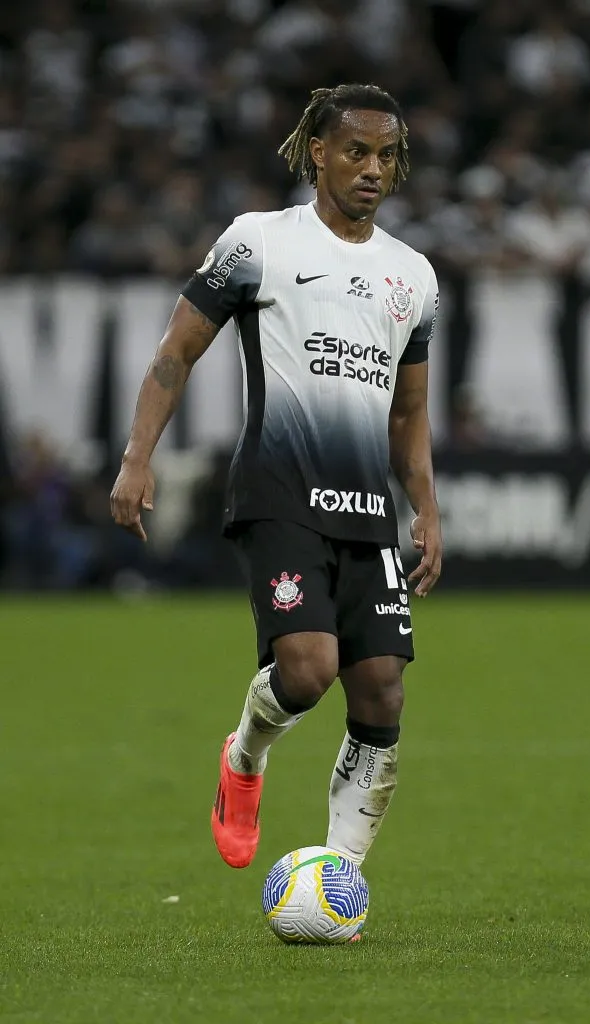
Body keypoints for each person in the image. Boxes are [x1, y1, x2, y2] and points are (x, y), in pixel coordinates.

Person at [110, 83, 442, 874]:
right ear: (318, 152)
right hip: (279, 490)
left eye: (386, 156)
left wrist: (426, 509)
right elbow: (175, 351)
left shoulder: (413, 276)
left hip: (368, 507)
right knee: (307, 670)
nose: (372, 169)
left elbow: (409, 414)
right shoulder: (258, 241)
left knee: (382, 693)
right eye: (356, 151)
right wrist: (136, 457)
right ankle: (246, 756)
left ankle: (338, 880)